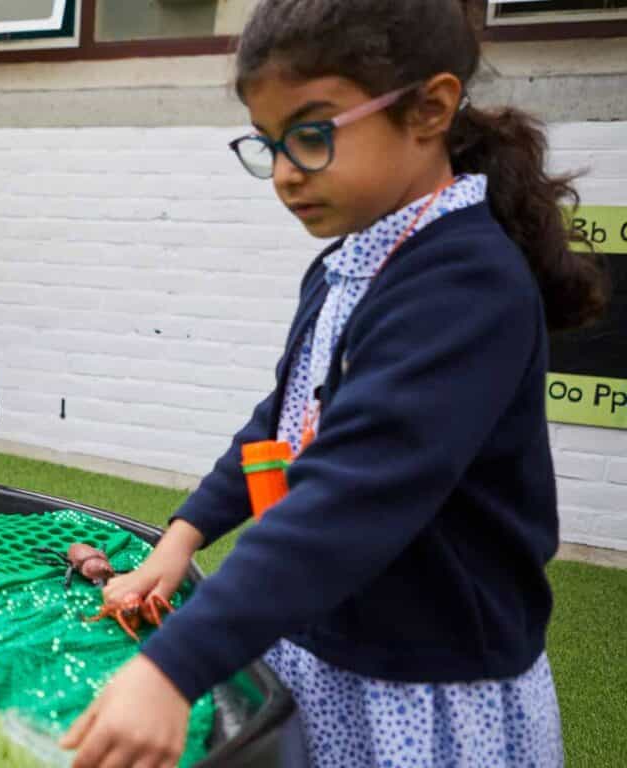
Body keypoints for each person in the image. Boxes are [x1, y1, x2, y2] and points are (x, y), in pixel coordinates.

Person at [62, 1, 607, 765]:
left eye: (312, 134)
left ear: (430, 109)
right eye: (269, 144)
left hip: (424, 685)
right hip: (325, 643)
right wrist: (182, 537)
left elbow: (354, 492)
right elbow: (282, 425)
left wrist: (173, 667)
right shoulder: (346, 263)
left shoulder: (465, 285)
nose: (286, 173)